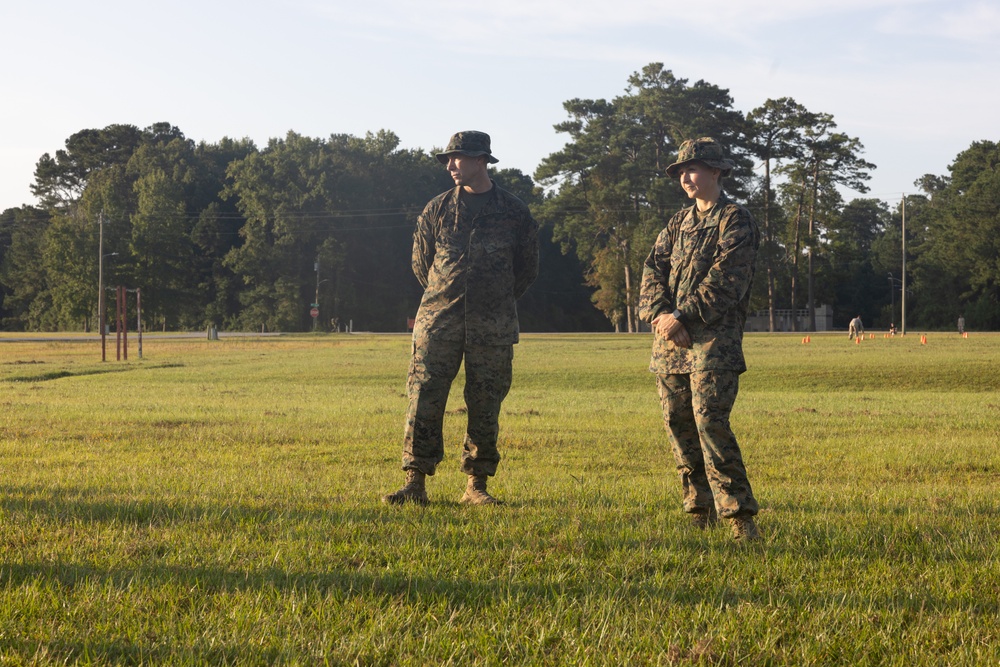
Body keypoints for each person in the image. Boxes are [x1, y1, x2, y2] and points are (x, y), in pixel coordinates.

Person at [384, 131, 539, 506]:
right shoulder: (436, 209)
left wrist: (492, 300)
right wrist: (448, 298)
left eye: (458, 158)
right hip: (438, 323)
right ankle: (415, 482)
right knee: (424, 398)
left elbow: (526, 270)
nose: (451, 165)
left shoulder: (515, 212)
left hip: (493, 326)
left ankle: (476, 485)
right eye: (448, 159)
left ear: (481, 160)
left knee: (485, 404)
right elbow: (422, 265)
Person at [638, 137, 761, 541]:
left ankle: (739, 517)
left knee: (710, 422)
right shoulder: (677, 223)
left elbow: (727, 281)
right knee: (678, 424)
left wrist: (681, 315)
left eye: (693, 169)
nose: (686, 177)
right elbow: (652, 270)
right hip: (670, 345)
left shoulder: (735, 220)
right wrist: (660, 315)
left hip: (713, 345)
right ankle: (698, 507)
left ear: (716, 171)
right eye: (680, 171)